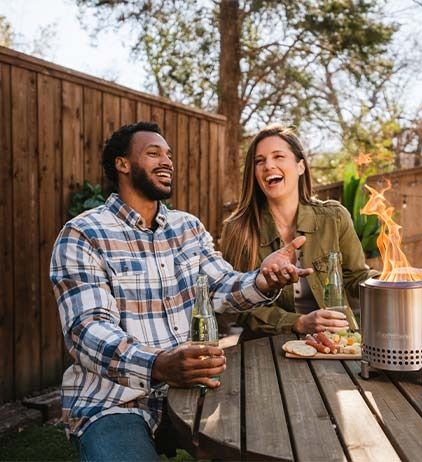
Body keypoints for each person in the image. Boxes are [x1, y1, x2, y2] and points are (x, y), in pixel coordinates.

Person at [49, 121, 312, 461]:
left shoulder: (187, 227)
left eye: (169, 155)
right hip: (114, 401)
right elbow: (87, 330)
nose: (167, 161)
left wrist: (263, 279)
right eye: (153, 153)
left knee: (281, 436)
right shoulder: (84, 234)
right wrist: (158, 365)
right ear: (122, 164)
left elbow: (222, 287)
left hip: (191, 388)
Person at [220, 123, 378, 338]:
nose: (268, 166)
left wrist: (393, 279)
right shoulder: (237, 229)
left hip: (336, 341)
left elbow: (356, 277)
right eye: (260, 161)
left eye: (278, 157)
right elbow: (237, 301)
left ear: (300, 166)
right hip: (267, 347)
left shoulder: (334, 217)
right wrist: (298, 323)